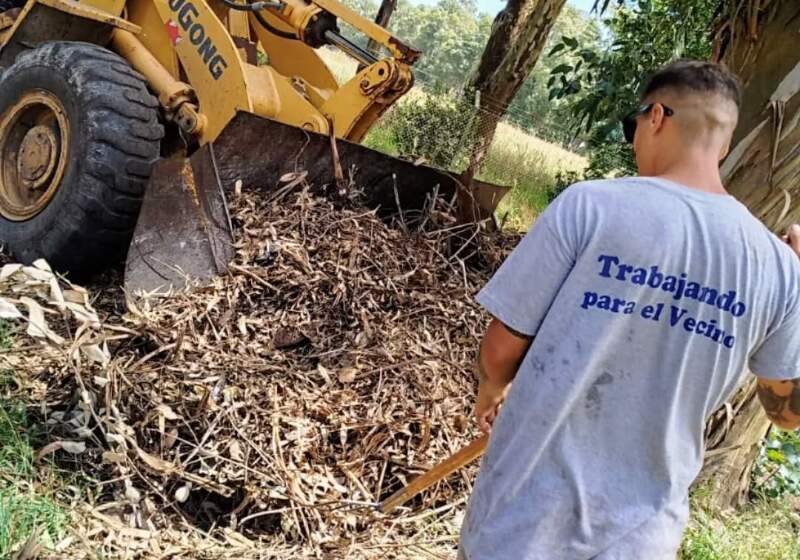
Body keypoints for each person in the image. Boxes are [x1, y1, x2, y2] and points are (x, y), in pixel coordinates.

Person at [458, 59, 800, 560]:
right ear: (723, 145)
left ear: (656, 116)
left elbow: (500, 348)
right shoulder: (780, 268)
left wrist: (492, 387)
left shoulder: (590, 206)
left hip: (519, 525)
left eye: (632, 125)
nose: (634, 138)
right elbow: (787, 412)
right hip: (639, 542)